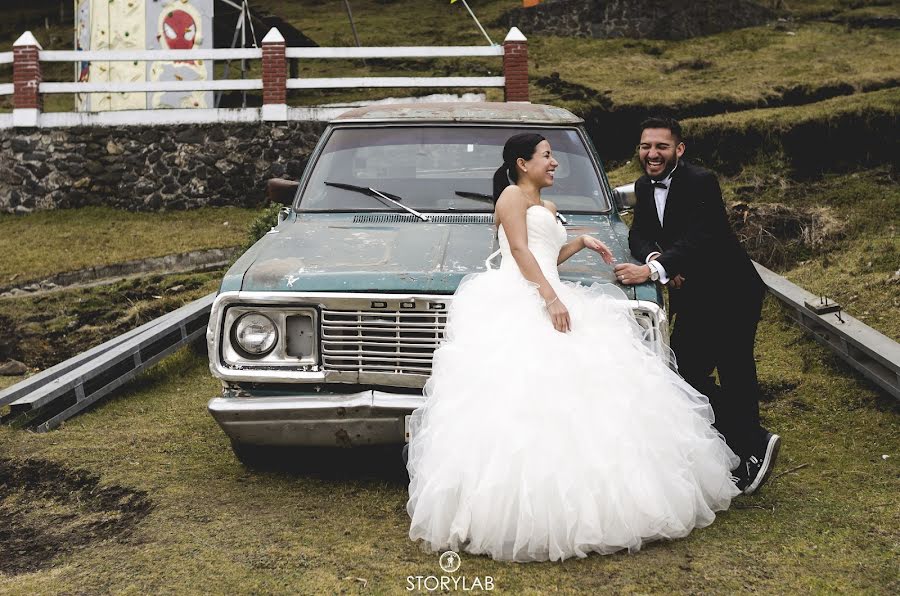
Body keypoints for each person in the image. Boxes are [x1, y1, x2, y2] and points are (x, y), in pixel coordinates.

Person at [405, 133, 741, 562]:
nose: (554, 164)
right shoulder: (511, 197)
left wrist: (579, 242)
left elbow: (546, 253)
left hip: (547, 286)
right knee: (520, 395)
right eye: (547, 156)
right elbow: (521, 251)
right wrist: (549, 298)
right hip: (520, 296)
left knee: (588, 388)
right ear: (523, 163)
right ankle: (513, 510)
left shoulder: (547, 207)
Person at [614, 116, 780, 495]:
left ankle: (752, 451)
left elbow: (704, 234)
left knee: (734, 367)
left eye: (661, 146)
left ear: (679, 149)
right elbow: (639, 232)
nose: (652, 154)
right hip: (692, 294)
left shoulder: (700, 181)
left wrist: (654, 270)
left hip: (730, 290)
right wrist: (660, 259)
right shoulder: (643, 185)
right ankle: (748, 439)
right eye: (646, 146)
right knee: (686, 371)